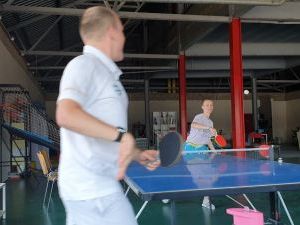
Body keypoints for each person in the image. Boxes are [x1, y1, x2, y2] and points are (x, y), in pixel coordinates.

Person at [56, 6, 159, 225]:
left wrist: (136, 154)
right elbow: (65, 114)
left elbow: (102, 138)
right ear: (112, 32)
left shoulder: (108, 76)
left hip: (99, 186)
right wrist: (123, 137)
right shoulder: (84, 65)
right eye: (122, 31)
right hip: (92, 190)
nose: (123, 38)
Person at [184, 99, 217, 210]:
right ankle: (167, 194)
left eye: (211, 105)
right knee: (195, 176)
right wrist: (208, 128)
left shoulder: (211, 122)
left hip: (202, 149)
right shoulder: (199, 117)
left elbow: (207, 140)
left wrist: (213, 150)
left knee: (208, 175)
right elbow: (194, 125)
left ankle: (206, 201)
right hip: (191, 148)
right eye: (207, 105)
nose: (209, 106)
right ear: (202, 107)